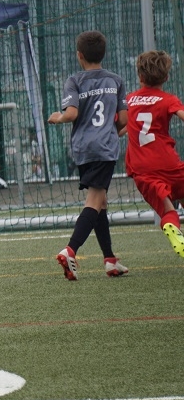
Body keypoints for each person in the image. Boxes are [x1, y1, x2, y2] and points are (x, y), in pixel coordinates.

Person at [47, 30, 128, 280]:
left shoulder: (74, 80)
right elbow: (123, 120)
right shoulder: (116, 80)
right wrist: (110, 131)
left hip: (83, 149)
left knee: (100, 202)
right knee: (94, 200)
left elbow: (71, 113)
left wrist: (57, 117)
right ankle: (70, 250)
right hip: (105, 148)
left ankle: (110, 259)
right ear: (103, 54)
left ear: (79, 55)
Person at [123, 50, 184, 259]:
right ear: (166, 77)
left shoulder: (130, 100)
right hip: (168, 163)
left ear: (140, 77)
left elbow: (120, 127)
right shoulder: (168, 100)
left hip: (142, 168)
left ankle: (173, 230)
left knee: (167, 210)